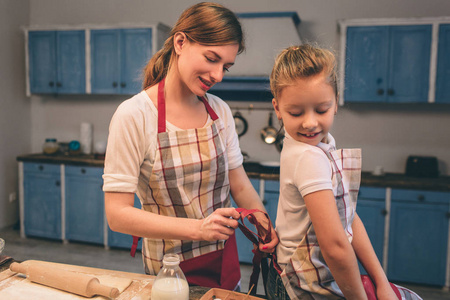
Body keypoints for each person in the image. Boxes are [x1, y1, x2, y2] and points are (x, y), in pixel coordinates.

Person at [102, 2, 277, 291]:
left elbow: (240, 184)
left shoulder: (220, 112)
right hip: (169, 270)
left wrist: (263, 222)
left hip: (223, 258)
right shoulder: (134, 115)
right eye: (212, 59)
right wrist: (199, 229)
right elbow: (117, 215)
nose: (218, 75)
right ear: (180, 42)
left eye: (226, 67)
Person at [266, 44, 422, 300]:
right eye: (296, 112)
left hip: (313, 273)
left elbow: (347, 218)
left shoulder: (322, 145)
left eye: (321, 109)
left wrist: (380, 281)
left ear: (336, 103)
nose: (310, 122)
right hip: (299, 282)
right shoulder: (308, 156)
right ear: (277, 109)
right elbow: (336, 247)